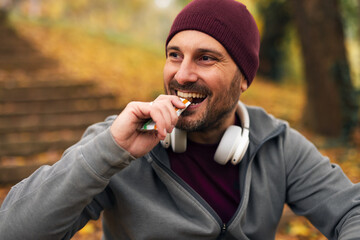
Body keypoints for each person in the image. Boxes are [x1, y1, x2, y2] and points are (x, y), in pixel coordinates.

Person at [1, 0, 360, 239]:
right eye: (175, 55)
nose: (183, 75)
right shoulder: (117, 140)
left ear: (245, 79)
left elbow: (350, 210)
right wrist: (110, 150)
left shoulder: (278, 145)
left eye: (206, 58)